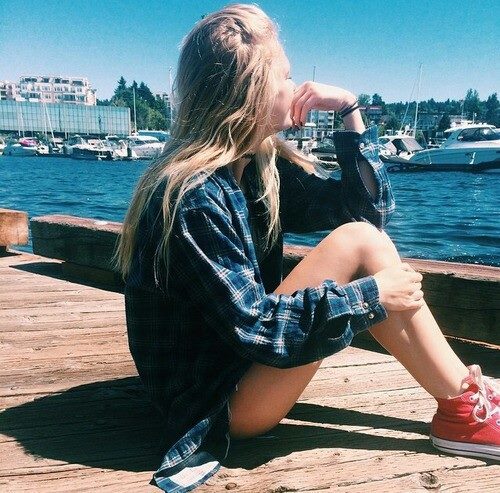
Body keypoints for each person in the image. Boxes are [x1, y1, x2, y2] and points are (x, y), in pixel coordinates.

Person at [116, 4, 499, 492]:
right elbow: (258, 329)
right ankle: (464, 410)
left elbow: (367, 212)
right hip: (218, 406)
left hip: (238, 373)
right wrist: (371, 295)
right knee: (359, 244)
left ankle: (463, 401)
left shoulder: (255, 168)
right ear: (252, 90)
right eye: (285, 76)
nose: (296, 87)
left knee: (362, 237)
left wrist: (349, 110)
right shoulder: (194, 197)